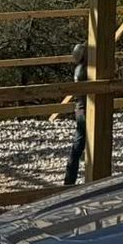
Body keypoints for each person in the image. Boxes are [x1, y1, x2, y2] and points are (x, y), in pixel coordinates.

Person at [55, 41, 89, 186]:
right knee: (81, 146)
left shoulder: (79, 69)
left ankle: (69, 180)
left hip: (80, 109)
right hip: (86, 110)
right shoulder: (85, 70)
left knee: (78, 145)